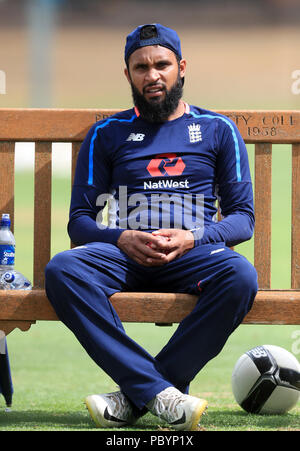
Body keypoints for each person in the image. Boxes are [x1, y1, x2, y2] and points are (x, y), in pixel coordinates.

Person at [45, 23, 258, 431]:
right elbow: (80, 222)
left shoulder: (218, 129)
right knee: (63, 269)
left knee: (240, 275)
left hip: (192, 253)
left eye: (162, 64)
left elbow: (241, 218)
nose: (152, 75)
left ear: (181, 68)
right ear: (127, 74)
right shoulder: (106, 134)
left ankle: (139, 395)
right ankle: (161, 393)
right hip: (125, 254)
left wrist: (194, 236)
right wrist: (121, 237)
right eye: (140, 67)